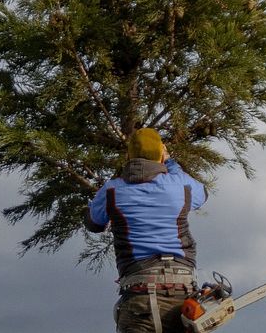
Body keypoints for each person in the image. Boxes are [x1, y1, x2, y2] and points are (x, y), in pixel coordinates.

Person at [85, 128, 208, 333]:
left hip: (139, 298)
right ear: (161, 154)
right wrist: (170, 162)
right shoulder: (180, 183)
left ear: (128, 156)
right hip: (183, 298)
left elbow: (94, 224)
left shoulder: (112, 190)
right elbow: (203, 194)